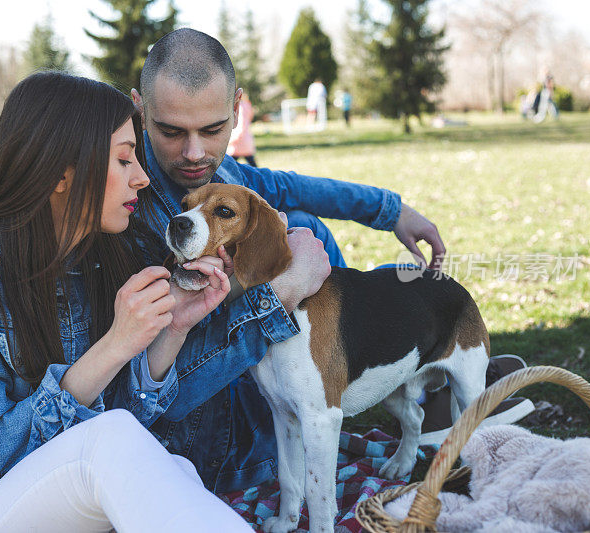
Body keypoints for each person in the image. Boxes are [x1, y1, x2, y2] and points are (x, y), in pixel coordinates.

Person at [0, 72, 253, 533]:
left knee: (176, 470)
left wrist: (171, 329)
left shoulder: (101, 252)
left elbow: (119, 413)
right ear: (62, 172)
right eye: (124, 160)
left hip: (59, 490)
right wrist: (116, 344)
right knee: (115, 446)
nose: (142, 177)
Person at [127, 28, 458, 495]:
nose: (195, 152)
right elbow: (160, 385)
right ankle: (337, 396)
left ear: (238, 106)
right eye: (171, 131)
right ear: (141, 109)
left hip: (269, 374)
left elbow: (290, 186)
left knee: (304, 228)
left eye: (214, 129)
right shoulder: (128, 201)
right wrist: (279, 289)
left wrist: (390, 210)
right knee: (300, 241)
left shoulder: (219, 174)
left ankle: (362, 374)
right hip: (218, 435)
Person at [226, 92, 257, 167]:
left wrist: (233, 139)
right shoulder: (247, 105)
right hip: (246, 140)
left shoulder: (241, 107)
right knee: (252, 164)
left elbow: (241, 125)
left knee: (228, 165)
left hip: (239, 142)